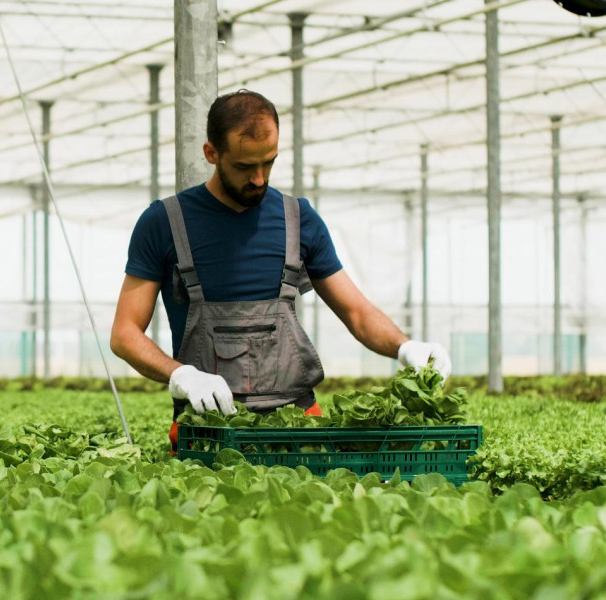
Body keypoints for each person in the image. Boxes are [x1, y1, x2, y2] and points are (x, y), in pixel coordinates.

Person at [108, 89, 451, 450]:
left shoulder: (298, 219)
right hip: (207, 432)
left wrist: (405, 346)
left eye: (268, 162)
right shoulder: (164, 222)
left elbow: (357, 312)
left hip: (300, 430)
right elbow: (124, 333)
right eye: (244, 166)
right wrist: (181, 374)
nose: (258, 178)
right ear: (212, 154)